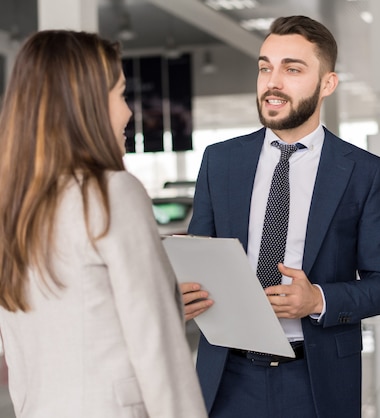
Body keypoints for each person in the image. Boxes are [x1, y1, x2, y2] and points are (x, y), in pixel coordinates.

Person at [182, 15, 380, 418]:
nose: (273, 82)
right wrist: (181, 295)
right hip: (227, 378)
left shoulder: (363, 171)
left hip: (315, 380)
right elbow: (198, 263)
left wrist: (317, 298)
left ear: (327, 84)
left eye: (292, 69)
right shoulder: (220, 162)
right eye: (265, 67)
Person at [0, 30, 207, 418]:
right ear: (86, 103)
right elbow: (157, 349)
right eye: (120, 94)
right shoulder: (113, 193)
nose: (129, 112)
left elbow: (41, 338)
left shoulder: (15, 207)